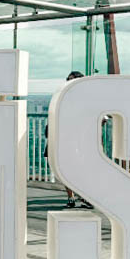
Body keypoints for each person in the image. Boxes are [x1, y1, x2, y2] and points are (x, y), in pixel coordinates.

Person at [46, 70, 93, 209]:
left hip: (77, 140)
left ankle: (82, 196)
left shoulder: (84, 99)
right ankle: (72, 196)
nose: (67, 82)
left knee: (79, 170)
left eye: (71, 80)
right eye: (67, 79)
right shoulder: (63, 97)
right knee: (65, 169)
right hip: (64, 138)